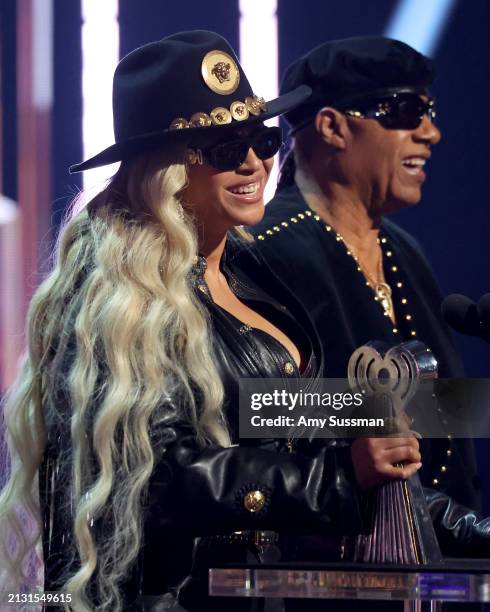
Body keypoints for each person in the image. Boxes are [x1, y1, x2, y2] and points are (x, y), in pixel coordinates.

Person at [0, 31, 487, 612]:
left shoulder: (255, 277)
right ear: (168, 167)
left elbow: (307, 426)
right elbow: (150, 474)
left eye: (261, 140)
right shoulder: (115, 296)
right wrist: (339, 471)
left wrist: (463, 525)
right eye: (227, 149)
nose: (256, 161)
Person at [251, 36, 481, 512]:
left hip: (438, 564)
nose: (430, 133)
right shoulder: (266, 249)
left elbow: (442, 420)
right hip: (323, 565)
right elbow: (254, 409)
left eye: (429, 111)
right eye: (403, 111)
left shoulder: (405, 250)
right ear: (332, 126)